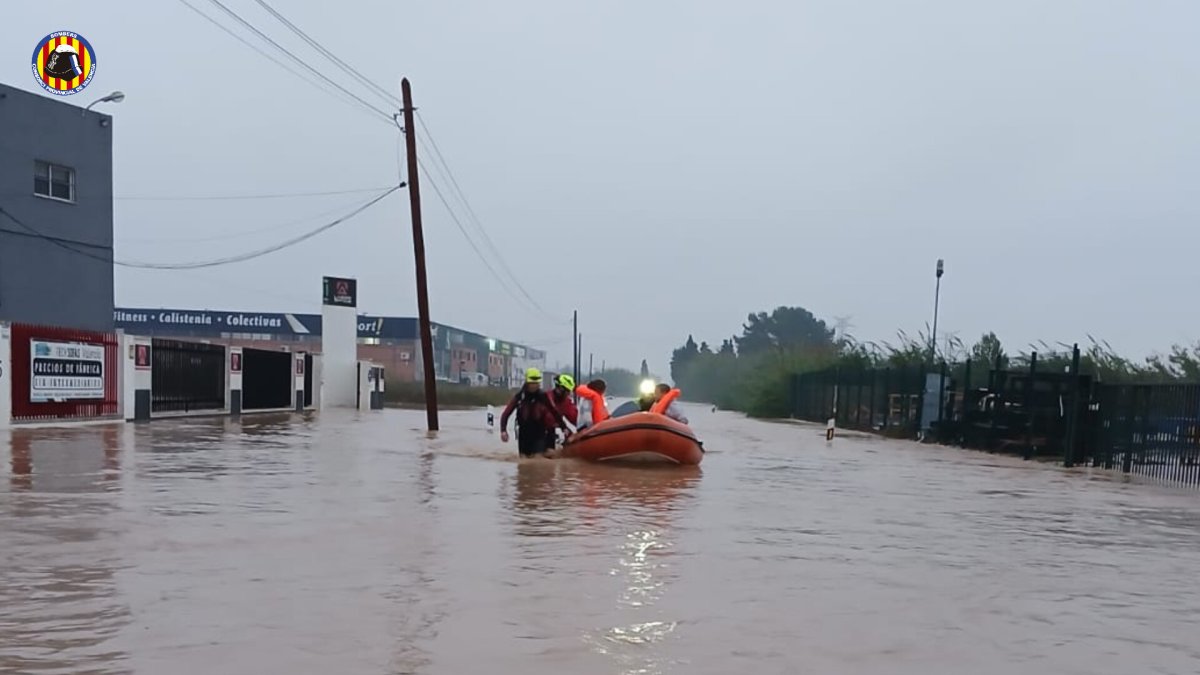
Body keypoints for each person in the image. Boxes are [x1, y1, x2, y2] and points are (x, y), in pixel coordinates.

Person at [499, 368, 573, 458]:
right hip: (523, 433)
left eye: (537, 383)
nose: (535, 386)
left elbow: (554, 412)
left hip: (539, 433)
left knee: (537, 459)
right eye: (532, 383)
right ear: (527, 383)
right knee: (523, 460)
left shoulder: (543, 396)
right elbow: (506, 413)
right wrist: (503, 430)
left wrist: (564, 427)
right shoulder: (520, 397)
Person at [546, 373, 578, 449]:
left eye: (569, 391)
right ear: (560, 388)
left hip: (553, 432)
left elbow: (574, 417)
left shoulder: (566, 402)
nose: (568, 394)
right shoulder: (547, 398)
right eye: (567, 391)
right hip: (540, 432)